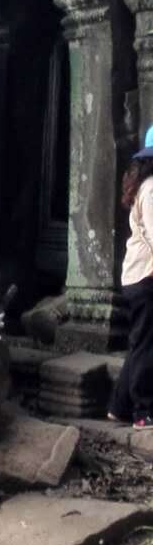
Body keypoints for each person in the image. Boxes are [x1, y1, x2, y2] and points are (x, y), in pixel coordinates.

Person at [109, 125, 153, 428]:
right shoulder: (152, 189)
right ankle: (143, 412)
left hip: (138, 276)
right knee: (147, 344)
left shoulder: (146, 186)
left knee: (140, 341)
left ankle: (120, 406)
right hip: (146, 277)